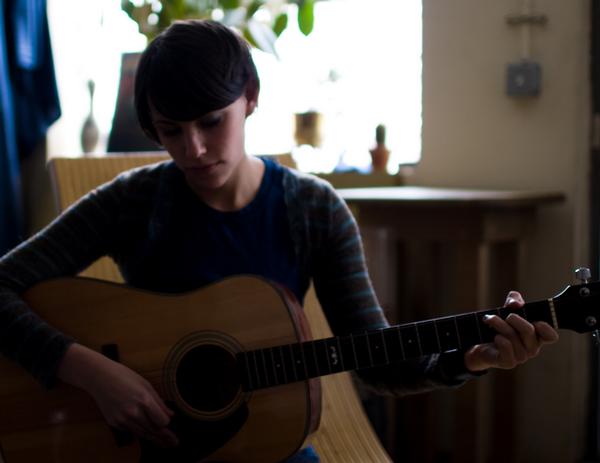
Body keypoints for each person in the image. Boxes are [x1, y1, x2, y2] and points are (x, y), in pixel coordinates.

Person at [0, 19, 558, 462]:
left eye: (211, 122)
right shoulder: (130, 202)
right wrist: (92, 373)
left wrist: (470, 357)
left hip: (269, 450)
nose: (194, 149)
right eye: (171, 131)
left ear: (250, 97)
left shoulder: (314, 210)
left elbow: (378, 364)